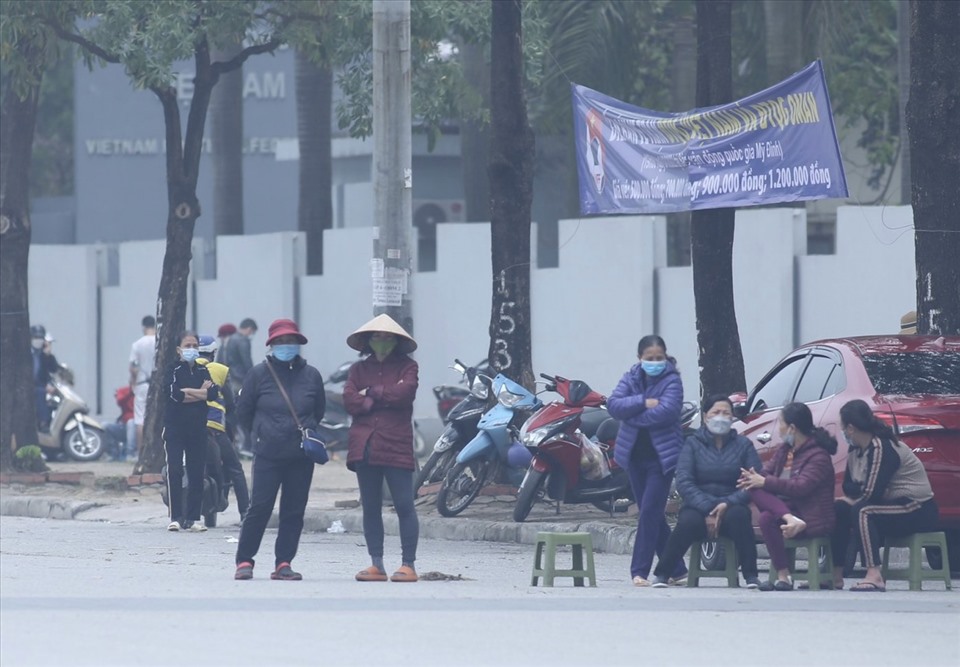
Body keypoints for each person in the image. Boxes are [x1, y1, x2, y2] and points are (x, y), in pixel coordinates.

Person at [234, 319, 325, 581]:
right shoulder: (258, 374)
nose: (287, 346)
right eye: (282, 342)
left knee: (294, 510)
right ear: (272, 345)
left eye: (291, 342)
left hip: (300, 455)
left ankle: (283, 562)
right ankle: (244, 561)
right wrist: (261, 434)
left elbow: (317, 411)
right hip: (268, 454)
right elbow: (244, 413)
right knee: (260, 507)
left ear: (299, 344)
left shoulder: (312, 375)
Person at [650, 395, 763, 589]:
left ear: (732, 417)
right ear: (705, 417)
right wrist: (709, 508)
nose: (721, 417)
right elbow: (684, 482)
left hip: (731, 505)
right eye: (716, 412)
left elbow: (752, 480)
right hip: (698, 506)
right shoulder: (692, 444)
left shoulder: (744, 445)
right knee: (687, 522)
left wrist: (726, 503)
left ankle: (751, 575)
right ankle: (663, 573)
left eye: (726, 413)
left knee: (740, 517)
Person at [343, 314, 420, 583]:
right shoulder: (357, 370)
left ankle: (408, 564)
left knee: (404, 505)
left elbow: (405, 394)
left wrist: (371, 393)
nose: (382, 341)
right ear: (368, 340)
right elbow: (350, 401)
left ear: (397, 341)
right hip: (364, 446)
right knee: (371, 507)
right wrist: (377, 395)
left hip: (396, 443)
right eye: (377, 336)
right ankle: (376, 563)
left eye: (388, 337)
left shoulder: (408, 368)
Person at [831, 399, 938, 592]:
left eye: (843, 427)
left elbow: (872, 493)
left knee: (863, 511)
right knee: (839, 508)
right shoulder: (856, 450)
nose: (843, 432)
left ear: (851, 428)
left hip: (917, 508)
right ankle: (835, 575)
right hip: (889, 504)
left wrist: (859, 493)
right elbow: (848, 486)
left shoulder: (881, 447)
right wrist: (856, 495)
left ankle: (874, 574)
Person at [607, 334, 688, 586]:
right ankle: (677, 569)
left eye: (659, 358)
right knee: (650, 513)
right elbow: (614, 405)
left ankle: (639, 570)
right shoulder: (631, 377)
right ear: (639, 358)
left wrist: (633, 415)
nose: (654, 362)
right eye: (649, 358)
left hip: (661, 458)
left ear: (666, 357)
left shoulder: (672, 380)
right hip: (634, 456)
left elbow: (667, 412)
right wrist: (643, 402)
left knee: (650, 511)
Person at [737, 402, 837, 591]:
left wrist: (764, 482)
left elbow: (801, 487)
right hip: (789, 512)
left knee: (766, 511)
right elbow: (765, 473)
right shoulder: (785, 450)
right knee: (754, 489)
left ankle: (783, 574)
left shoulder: (818, 456)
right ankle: (784, 574)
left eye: (781, 423)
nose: (779, 429)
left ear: (792, 427)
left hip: (811, 516)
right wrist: (755, 478)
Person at [163, 331, 219, 532]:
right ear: (179, 349)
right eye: (187, 345)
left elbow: (213, 393)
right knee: (175, 470)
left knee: (197, 473)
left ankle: (193, 518)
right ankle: (176, 516)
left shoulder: (203, 371)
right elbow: (174, 394)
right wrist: (200, 393)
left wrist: (190, 392)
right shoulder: (173, 369)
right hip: (175, 429)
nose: (192, 349)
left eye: (194, 345)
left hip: (198, 429)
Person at [196, 335, 250, 522]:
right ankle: (245, 512)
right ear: (213, 353)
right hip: (214, 428)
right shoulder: (219, 370)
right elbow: (229, 401)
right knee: (235, 468)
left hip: (187, 430)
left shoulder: (183, 369)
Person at [129, 315, 157, 450]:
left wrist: (133, 383)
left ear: (143, 327)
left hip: (142, 383)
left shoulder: (137, 344)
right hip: (157, 384)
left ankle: (141, 452)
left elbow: (133, 368)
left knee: (140, 419)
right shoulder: (160, 342)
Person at [30, 324, 60, 431]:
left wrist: (47, 354)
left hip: (41, 385)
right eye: (36, 338)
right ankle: (43, 423)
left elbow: (53, 370)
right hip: (28, 386)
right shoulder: (25, 353)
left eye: (40, 338)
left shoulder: (44, 355)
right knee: (40, 393)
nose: (38, 341)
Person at [104, 385, 136, 461]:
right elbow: (119, 401)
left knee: (131, 422)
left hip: (139, 427)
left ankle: (130, 454)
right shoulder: (124, 390)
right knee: (105, 426)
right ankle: (113, 454)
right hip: (124, 425)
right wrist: (130, 392)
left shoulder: (144, 389)